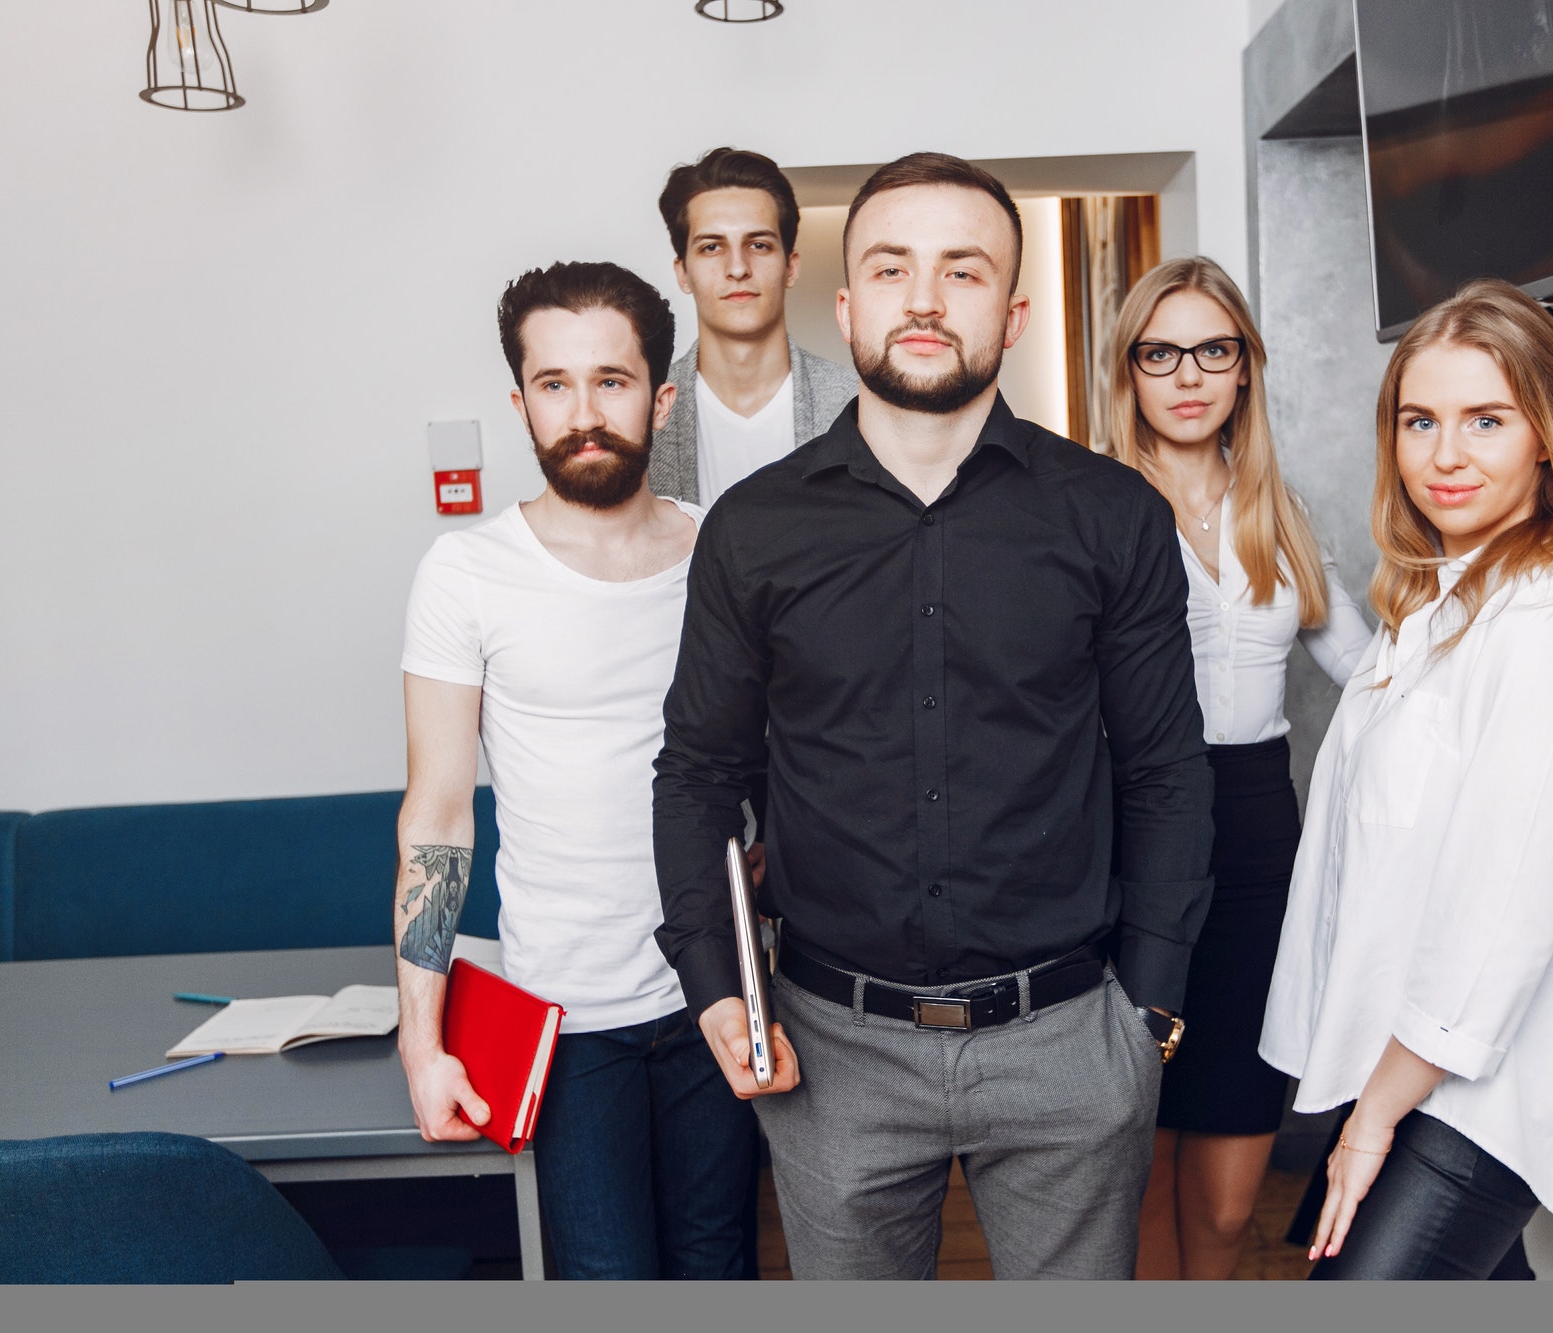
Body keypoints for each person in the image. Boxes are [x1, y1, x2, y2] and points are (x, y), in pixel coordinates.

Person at [651, 152, 1215, 1280]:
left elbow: (1164, 770)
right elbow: (699, 774)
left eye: (959, 272)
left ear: (1009, 315)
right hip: (831, 1050)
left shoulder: (1110, 517)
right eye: (891, 268)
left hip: (1066, 1041)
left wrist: (1145, 1013)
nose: (922, 298)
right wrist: (715, 982)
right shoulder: (752, 533)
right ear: (847, 303)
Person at [1260, 278, 1553, 1279]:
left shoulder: (1547, 621)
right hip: (1406, 1078)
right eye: (1418, 420)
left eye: (1484, 419)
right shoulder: (1437, 610)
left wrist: (1372, 1120)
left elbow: (1500, 910)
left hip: (1472, 1104)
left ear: (1544, 436)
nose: (1443, 455)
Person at [393, 261, 758, 1279]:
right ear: (520, 403)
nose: (583, 412)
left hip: (716, 997)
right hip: (565, 1023)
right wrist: (423, 1046)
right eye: (553, 385)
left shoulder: (722, 553)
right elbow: (436, 816)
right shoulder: (464, 574)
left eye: (611, 380)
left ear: (661, 396)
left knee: (722, 1270)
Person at [1105, 258, 1373, 1281]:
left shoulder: (1278, 510)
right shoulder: (1091, 505)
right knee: (1131, 1178)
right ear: (1127, 370)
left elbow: (1367, 671)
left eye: (1212, 350)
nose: (1187, 374)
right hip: (1128, 841)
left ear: (1243, 369)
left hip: (1260, 841)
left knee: (1222, 1206)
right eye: (1159, 352)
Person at [651, 146, 860, 507]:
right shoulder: (641, 415)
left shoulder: (857, 404)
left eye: (759, 245)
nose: (737, 268)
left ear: (790, 267)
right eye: (712, 247)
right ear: (682, 273)